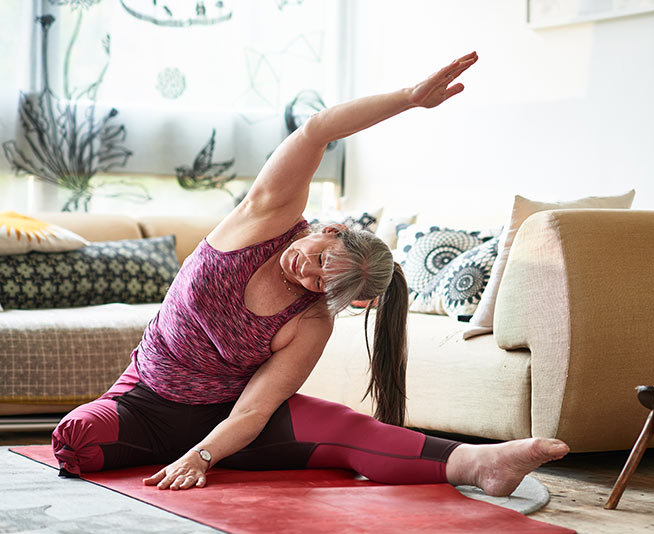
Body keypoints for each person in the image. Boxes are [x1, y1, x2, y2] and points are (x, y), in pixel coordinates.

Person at [51, 51, 569, 497]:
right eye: (322, 259)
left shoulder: (311, 321)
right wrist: (410, 97)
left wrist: (201, 458)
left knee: (346, 429)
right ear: (331, 229)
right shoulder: (267, 217)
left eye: (324, 284)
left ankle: (483, 465)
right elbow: (318, 129)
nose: (308, 274)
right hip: (145, 402)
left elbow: (254, 411)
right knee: (75, 441)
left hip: (232, 424)